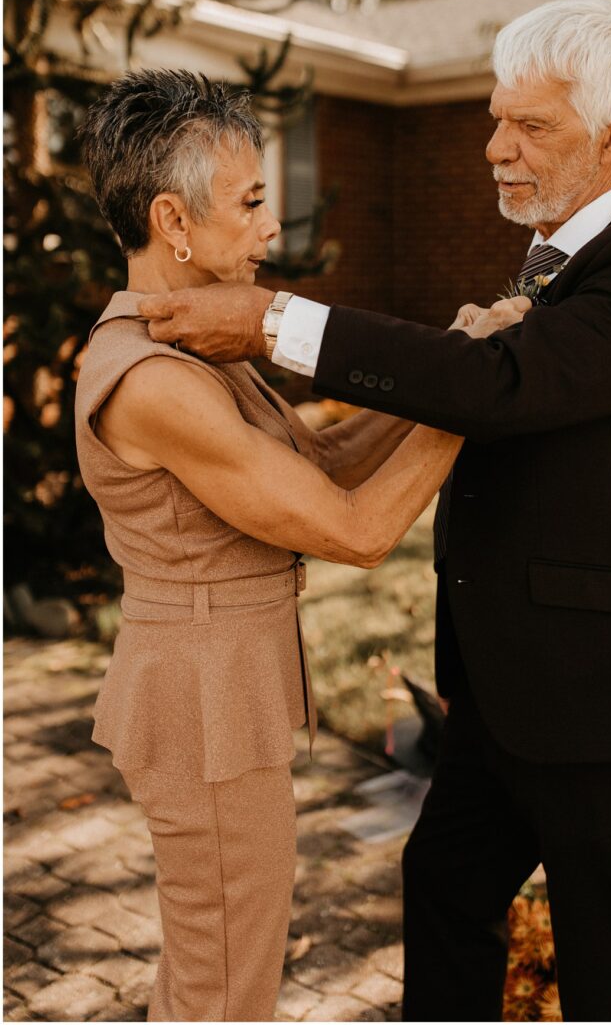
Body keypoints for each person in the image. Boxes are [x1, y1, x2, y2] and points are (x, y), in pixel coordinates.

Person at [140, 0, 611, 1022]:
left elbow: (492, 387)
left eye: (531, 127)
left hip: (601, 698)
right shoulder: (554, 262)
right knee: (446, 887)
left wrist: (273, 319)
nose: (496, 147)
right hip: (503, 691)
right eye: (496, 118)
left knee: (607, 972)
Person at [74, 68, 528, 1022]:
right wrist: (477, 388)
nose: (270, 226)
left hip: (220, 687)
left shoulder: (190, 345)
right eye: (248, 202)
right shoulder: (152, 381)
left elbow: (323, 458)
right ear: (174, 221)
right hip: (198, 704)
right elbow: (357, 529)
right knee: (228, 987)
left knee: (209, 968)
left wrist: (447, 354)